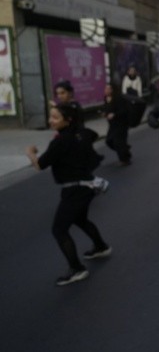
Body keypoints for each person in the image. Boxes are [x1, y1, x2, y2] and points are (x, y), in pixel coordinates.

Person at [25, 103, 112, 286]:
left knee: (59, 229)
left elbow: (40, 165)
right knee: (80, 220)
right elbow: (93, 135)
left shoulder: (60, 141)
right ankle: (101, 247)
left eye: (55, 117)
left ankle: (77, 269)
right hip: (87, 187)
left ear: (68, 120)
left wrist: (31, 153)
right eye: (51, 116)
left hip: (74, 190)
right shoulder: (82, 133)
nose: (51, 120)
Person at [52, 81, 109, 193]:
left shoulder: (72, 106)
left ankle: (96, 184)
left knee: (77, 167)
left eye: (62, 93)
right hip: (73, 140)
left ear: (70, 93)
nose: (59, 96)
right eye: (58, 93)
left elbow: (71, 121)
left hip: (77, 140)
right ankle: (91, 185)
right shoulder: (66, 106)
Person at [102, 83, 132, 165]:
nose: (106, 90)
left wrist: (114, 114)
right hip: (112, 125)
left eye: (108, 89)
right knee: (109, 141)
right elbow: (106, 108)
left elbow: (124, 111)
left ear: (112, 90)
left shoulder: (119, 99)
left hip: (121, 124)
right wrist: (105, 113)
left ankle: (125, 160)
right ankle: (125, 150)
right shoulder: (106, 98)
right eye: (105, 88)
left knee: (118, 142)